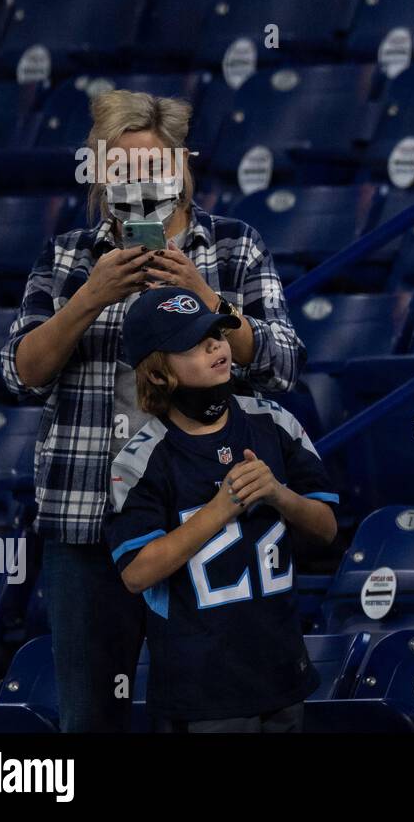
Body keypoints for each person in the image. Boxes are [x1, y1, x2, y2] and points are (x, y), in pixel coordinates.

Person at [0, 90, 305, 731]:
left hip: (207, 518)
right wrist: (88, 298)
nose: (141, 181)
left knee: (215, 713)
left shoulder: (234, 244)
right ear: (103, 174)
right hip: (87, 522)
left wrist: (204, 296)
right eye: (124, 167)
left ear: (183, 168)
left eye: (156, 166)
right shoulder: (66, 257)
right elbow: (20, 376)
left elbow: (282, 364)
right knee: (91, 718)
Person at [104, 286, 337, 732]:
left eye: (217, 333)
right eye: (193, 342)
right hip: (202, 688)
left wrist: (278, 494)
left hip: (282, 667)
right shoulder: (142, 457)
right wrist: (220, 509)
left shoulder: (274, 423)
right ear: (157, 373)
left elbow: (327, 530)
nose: (215, 345)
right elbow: (135, 572)